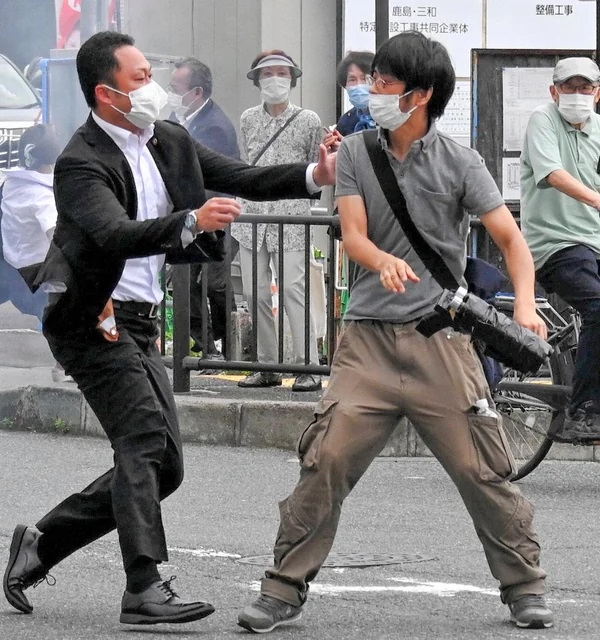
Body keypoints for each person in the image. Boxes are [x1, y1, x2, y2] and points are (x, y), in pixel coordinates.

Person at [2, 31, 336, 627]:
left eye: (150, 74)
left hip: (139, 318)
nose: (151, 86)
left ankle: (43, 544)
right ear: (106, 94)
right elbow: (114, 234)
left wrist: (316, 172)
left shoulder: (167, 138)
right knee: (141, 440)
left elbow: (242, 176)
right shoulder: (81, 161)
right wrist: (190, 221)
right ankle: (143, 586)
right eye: (138, 78)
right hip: (93, 317)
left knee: (168, 468)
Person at [237, 31, 554, 634]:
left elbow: (511, 241)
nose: (371, 89)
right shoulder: (357, 153)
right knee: (326, 457)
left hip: (442, 341)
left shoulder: (461, 161)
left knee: (481, 467)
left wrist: (525, 305)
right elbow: (353, 234)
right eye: (373, 78)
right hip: (367, 343)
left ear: (421, 94)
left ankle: (524, 586)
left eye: (384, 81)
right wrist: (380, 259)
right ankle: (282, 588)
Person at [232, 50, 323, 392]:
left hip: (292, 217)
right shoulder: (247, 119)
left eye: (282, 73)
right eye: (267, 73)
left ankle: (308, 366)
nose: (275, 79)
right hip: (252, 216)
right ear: (257, 80)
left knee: (292, 291)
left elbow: (316, 169)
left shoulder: (309, 120)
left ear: (292, 79)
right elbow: (245, 162)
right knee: (253, 292)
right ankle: (266, 365)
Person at [521, 56, 600, 443]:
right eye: (570, 87)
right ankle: (583, 410)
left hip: (594, 242)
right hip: (555, 244)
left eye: (585, 88)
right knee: (599, 307)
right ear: (554, 91)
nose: (577, 94)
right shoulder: (543, 120)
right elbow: (552, 173)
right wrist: (597, 199)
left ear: (597, 94)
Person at [166, 56, 240, 363]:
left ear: (197, 92)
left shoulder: (214, 127)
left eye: (175, 88)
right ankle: (206, 346)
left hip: (215, 218)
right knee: (188, 283)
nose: (170, 94)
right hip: (192, 217)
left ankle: (227, 343)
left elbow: (211, 178)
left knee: (213, 283)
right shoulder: (178, 118)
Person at [0, 123, 73, 383]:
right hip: (39, 267)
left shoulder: (14, 183)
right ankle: (64, 365)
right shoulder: (41, 196)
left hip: (16, 263)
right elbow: (56, 235)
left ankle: (64, 362)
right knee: (78, 292)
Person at [335, 50, 376, 136]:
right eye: (352, 80)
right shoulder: (346, 122)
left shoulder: (389, 116)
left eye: (364, 79)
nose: (359, 85)